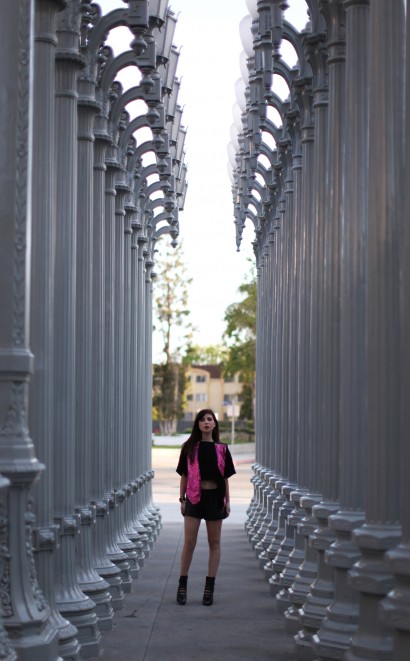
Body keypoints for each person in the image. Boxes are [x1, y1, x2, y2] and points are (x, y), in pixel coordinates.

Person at [175, 408, 236, 606]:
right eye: (202, 420)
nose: (206, 422)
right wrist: (182, 499)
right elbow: (184, 475)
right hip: (194, 497)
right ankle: (182, 584)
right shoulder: (189, 448)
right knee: (189, 542)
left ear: (215, 423)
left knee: (214, 542)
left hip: (215, 499)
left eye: (210, 419)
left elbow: (225, 479)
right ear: (198, 424)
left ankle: (209, 587)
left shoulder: (222, 449)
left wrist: (227, 501)